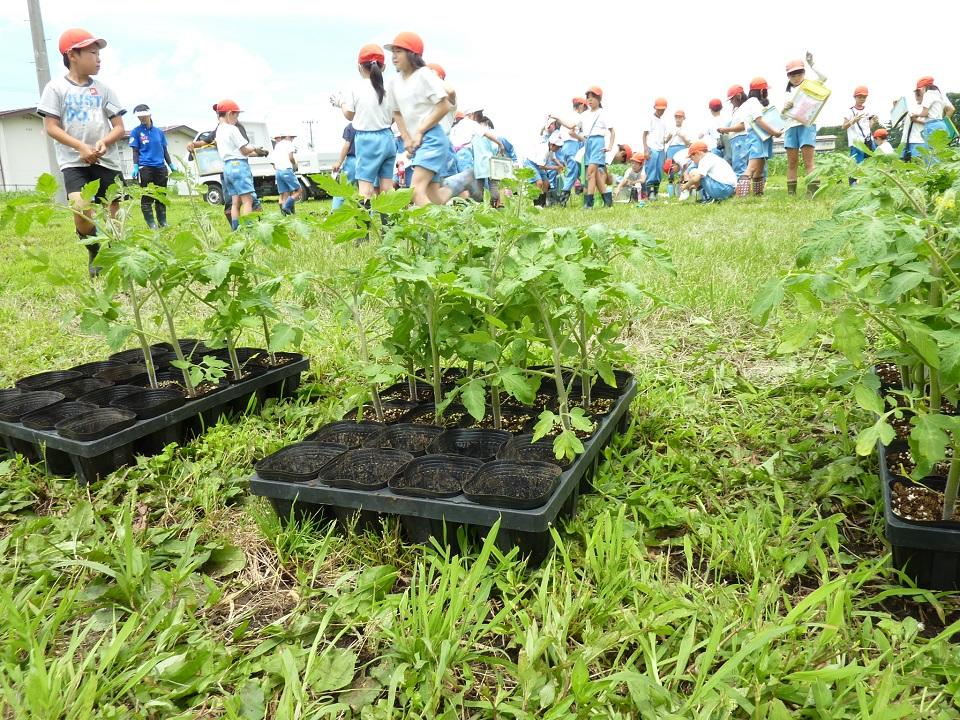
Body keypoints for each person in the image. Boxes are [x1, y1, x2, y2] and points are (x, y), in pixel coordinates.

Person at [37, 28, 125, 276]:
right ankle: (95, 250)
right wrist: (80, 147)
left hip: (106, 160)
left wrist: (104, 142)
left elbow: (118, 127)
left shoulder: (104, 89)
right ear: (72, 55)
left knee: (113, 211)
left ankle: (117, 253)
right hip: (74, 161)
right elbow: (51, 127)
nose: (99, 59)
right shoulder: (56, 89)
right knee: (80, 208)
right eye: (93, 53)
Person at [384, 31, 456, 206]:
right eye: (393, 52)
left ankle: (431, 231)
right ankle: (460, 183)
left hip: (433, 138)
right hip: (418, 140)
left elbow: (444, 105)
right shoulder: (394, 83)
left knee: (416, 191)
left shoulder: (424, 75)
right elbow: (397, 112)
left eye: (399, 51)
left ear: (412, 54)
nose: (394, 56)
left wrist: (420, 131)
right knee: (434, 196)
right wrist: (407, 137)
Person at [336, 44, 397, 202]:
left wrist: (341, 103)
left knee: (365, 189)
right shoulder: (390, 87)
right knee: (387, 188)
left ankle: (365, 226)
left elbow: (349, 115)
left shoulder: (354, 88)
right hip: (388, 138)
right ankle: (389, 226)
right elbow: (394, 117)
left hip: (367, 140)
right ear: (383, 67)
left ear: (359, 67)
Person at [214, 99, 267, 230]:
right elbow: (244, 150)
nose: (237, 119)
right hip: (239, 166)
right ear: (229, 113)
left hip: (227, 168)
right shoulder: (232, 129)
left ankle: (236, 230)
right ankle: (248, 230)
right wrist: (255, 147)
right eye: (236, 115)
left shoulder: (219, 130)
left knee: (235, 203)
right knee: (247, 201)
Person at [781, 52, 827, 196]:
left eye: (798, 73)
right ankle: (791, 193)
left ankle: (812, 191)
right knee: (792, 162)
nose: (795, 77)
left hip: (807, 126)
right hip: (790, 128)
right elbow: (782, 117)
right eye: (792, 75)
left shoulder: (810, 86)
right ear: (788, 76)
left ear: (803, 73)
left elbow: (824, 78)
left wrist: (812, 64)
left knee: (809, 161)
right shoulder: (787, 93)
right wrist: (784, 109)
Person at [128, 104, 174, 229]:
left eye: (143, 116)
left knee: (161, 195)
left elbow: (164, 150)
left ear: (150, 114)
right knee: (147, 196)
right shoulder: (136, 131)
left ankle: (162, 222)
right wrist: (136, 166)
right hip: (145, 168)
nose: (142, 118)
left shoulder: (159, 132)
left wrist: (171, 165)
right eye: (139, 117)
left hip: (160, 167)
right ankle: (151, 224)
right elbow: (135, 151)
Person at [739, 78, 782, 197]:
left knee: (760, 167)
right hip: (757, 136)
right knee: (752, 167)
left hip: (762, 136)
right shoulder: (753, 102)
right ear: (762, 91)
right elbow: (759, 120)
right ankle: (742, 195)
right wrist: (774, 132)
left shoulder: (750, 103)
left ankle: (758, 194)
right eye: (765, 90)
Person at [579, 87, 615, 208]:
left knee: (590, 173)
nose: (590, 100)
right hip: (587, 142)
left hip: (598, 143)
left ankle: (588, 203)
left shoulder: (603, 113)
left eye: (593, 97)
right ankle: (608, 201)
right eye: (588, 97)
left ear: (599, 99)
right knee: (596, 175)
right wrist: (558, 118)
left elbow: (612, 131)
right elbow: (574, 126)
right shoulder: (584, 115)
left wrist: (609, 146)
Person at [551, 97, 588, 206]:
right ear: (581, 105)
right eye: (585, 108)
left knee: (575, 171)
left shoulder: (568, 116)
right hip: (572, 145)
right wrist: (583, 139)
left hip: (566, 146)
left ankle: (577, 188)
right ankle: (562, 199)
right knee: (573, 172)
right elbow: (572, 133)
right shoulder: (577, 117)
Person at [912, 76, 956, 155]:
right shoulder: (940, 94)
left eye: (919, 90)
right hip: (941, 125)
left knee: (931, 154)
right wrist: (944, 121)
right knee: (940, 153)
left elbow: (925, 113)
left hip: (931, 126)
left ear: (924, 87)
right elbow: (951, 109)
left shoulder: (928, 94)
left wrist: (916, 115)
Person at [718, 85, 750, 184]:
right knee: (739, 165)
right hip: (736, 139)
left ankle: (741, 191)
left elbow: (743, 125)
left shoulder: (745, 108)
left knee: (740, 166)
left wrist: (726, 129)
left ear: (739, 96)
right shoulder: (737, 110)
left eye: (732, 99)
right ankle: (743, 189)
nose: (731, 102)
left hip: (741, 139)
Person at [842, 86, 877, 165]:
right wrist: (853, 121)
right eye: (860, 97)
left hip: (868, 141)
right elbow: (843, 126)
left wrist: (873, 121)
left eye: (864, 97)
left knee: (872, 164)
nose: (862, 99)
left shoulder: (868, 110)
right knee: (857, 166)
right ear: (855, 97)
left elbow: (868, 127)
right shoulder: (850, 111)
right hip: (856, 143)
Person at [642, 97, 668, 200]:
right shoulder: (650, 119)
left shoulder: (663, 123)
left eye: (662, 109)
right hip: (651, 147)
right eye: (658, 109)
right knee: (651, 170)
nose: (660, 111)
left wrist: (664, 151)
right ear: (655, 108)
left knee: (658, 171)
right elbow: (644, 135)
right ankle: (650, 193)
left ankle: (656, 192)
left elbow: (663, 138)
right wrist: (645, 149)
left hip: (661, 149)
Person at [269, 133, 299, 214]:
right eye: (292, 137)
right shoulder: (288, 143)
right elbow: (291, 157)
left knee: (284, 195)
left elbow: (273, 163)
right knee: (298, 191)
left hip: (278, 172)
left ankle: (285, 215)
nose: (293, 139)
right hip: (287, 170)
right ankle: (287, 207)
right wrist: (294, 165)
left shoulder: (277, 146)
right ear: (287, 136)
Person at [664, 110, 692, 197]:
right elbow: (665, 140)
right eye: (676, 117)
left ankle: (683, 191)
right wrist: (669, 136)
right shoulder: (670, 128)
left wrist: (682, 136)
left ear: (683, 118)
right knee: (670, 170)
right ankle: (670, 193)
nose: (678, 119)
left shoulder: (686, 129)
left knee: (683, 170)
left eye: (680, 117)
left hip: (682, 148)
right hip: (672, 148)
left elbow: (689, 143)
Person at [331, 123, 357, 210]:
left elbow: (347, 145)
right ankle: (367, 218)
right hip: (367, 161)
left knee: (342, 189)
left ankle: (334, 213)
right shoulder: (369, 125)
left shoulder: (351, 126)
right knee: (366, 191)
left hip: (352, 160)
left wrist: (339, 162)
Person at [900, 89, 926, 161]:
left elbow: (931, 123)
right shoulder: (912, 106)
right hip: (905, 141)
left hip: (918, 141)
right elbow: (902, 121)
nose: (917, 97)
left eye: (919, 94)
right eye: (916, 95)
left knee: (917, 165)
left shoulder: (927, 108)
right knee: (902, 166)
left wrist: (916, 121)